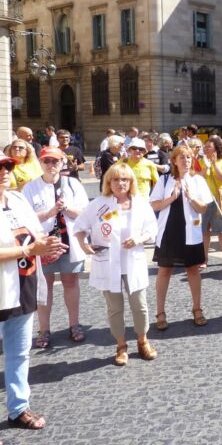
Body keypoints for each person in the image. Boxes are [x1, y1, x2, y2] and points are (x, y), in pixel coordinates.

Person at [0, 153, 68, 431]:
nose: (5, 170)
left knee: (19, 352)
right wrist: (29, 249)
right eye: (0, 167)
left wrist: (46, 244)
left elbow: (36, 233)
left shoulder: (16, 199)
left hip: (23, 284)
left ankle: (18, 408)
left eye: (7, 165)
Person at [73, 164, 158, 365]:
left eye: (125, 180)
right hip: (108, 262)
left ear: (131, 182)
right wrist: (83, 245)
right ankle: (121, 346)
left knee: (140, 305)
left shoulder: (140, 203)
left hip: (132, 262)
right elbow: (79, 227)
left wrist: (138, 239)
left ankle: (142, 340)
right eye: (116, 179)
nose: (120, 183)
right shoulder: (99, 204)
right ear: (108, 182)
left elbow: (152, 229)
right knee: (114, 308)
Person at [22, 147, 89, 348]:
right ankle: (44, 328)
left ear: (62, 163)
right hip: (44, 242)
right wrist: (49, 213)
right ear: (40, 163)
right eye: (47, 161)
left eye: (55, 161)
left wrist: (67, 208)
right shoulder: (31, 187)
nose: (51, 165)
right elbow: (25, 219)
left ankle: (74, 324)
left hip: (69, 240)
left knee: (71, 281)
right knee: (45, 285)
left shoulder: (73, 183)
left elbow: (86, 212)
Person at [150, 146, 214, 329]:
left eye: (188, 157)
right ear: (174, 160)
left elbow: (203, 208)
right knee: (165, 271)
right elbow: (154, 205)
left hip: (190, 233)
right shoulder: (164, 180)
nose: (186, 160)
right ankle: (160, 313)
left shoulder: (197, 181)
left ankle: (197, 309)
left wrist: (191, 197)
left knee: (193, 270)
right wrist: (172, 197)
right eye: (182, 157)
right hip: (169, 231)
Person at [199, 136, 222, 267]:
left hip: (219, 199)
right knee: (204, 230)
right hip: (204, 200)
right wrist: (206, 167)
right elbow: (197, 178)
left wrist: (213, 164)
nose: (206, 149)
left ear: (216, 148)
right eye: (205, 146)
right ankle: (204, 258)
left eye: (209, 147)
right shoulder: (202, 161)